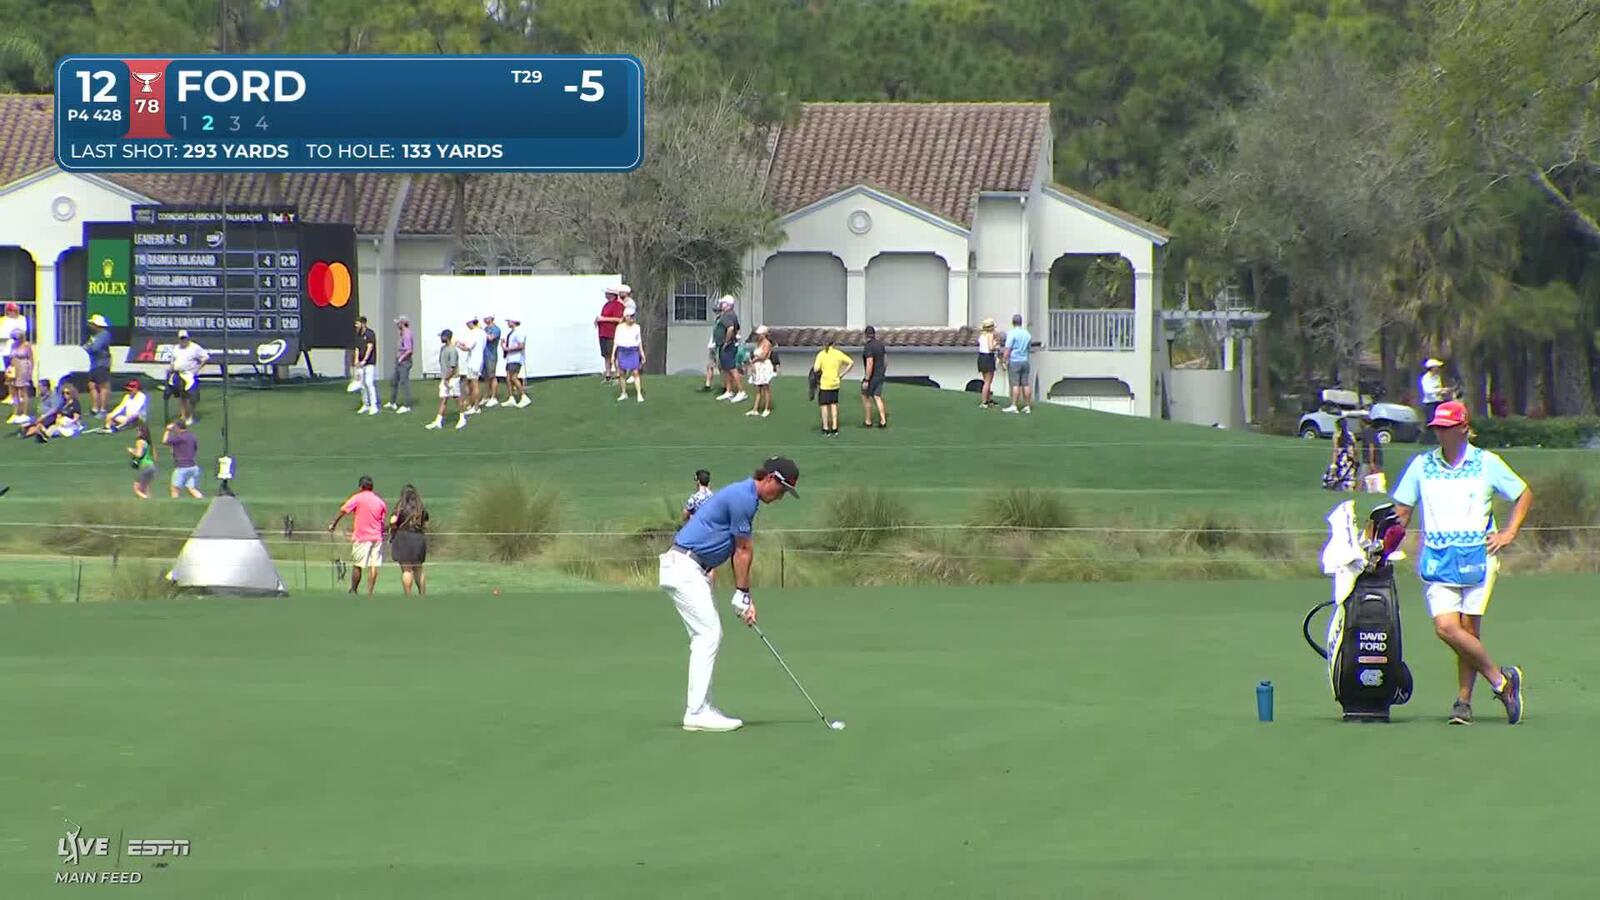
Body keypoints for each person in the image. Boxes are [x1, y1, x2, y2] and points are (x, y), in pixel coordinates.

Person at [1392, 400, 1530, 726]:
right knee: (1446, 628)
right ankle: (1502, 682)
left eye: (1446, 427)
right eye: (1437, 427)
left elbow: (1523, 493)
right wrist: (1383, 545)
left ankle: (1463, 703)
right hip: (1438, 559)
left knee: (1468, 630)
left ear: (1463, 429)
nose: (1439, 432)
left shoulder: (1487, 463)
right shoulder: (1421, 466)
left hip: (1478, 558)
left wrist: (1509, 533)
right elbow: (1402, 512)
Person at [659, 456, 800, 732]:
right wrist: (743, 594)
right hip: (685, 566)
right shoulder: (744, 498)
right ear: (770, 478)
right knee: (708, 635)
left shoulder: (746, 496)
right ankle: (696, 712)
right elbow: (743, 550)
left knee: (706, 636)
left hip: (692, 568)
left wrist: (742, 595)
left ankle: (703, 707)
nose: (781, 497)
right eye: (781, 490)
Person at [328, 475, 388, 596]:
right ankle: (370, 593)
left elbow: (344, 510)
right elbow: (382, 521)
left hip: (362, 537)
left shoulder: (358, 498)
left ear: (361, 487)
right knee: (373, 566)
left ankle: (354, 590)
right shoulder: (380, 501)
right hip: (377, 537)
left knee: (358, 565)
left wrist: (333, 523)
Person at [388, 483, 430, 596]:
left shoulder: (400, 508)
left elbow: (392, 521)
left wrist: (393, 528)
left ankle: (408, 595)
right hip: (418, 538)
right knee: (418, 569)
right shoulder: (421, 509)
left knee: (406, 570)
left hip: (404, 539)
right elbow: (426, 524)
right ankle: (422, 594)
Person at [426, 328, 469, 431]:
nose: (441, 338)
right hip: (445, 378)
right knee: (443, 399)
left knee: (456, 398)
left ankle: (462, 418)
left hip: (452, 379)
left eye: (442, 336)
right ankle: (438, 421)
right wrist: (444, 379)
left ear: (447, 337)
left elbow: (452, 367)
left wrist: (447, 379)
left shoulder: (452, 350)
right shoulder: (443, 348)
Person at [811, 335, 853, 437]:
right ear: (833, 344)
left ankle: (825, 428)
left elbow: (816, 369)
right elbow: (851, 362)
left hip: (825, 383)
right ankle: (834, 427)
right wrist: (842, 374)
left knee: (824, 406)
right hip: (835, 382)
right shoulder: (838, 353)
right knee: (834, 405)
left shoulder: (821, 354)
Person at [167, 330, 209, 426]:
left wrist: (198, 368)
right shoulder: (176, 348)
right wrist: (171, 368)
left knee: (192, 397)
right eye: (181, 338)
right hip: (179, 374)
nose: (183, 340)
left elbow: (205, 357)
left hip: (190, 375)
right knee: (182, 396)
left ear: (188, 338)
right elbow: (173, 360)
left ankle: (191, 416)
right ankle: (183, 416)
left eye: (184, 338)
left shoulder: (194, 347)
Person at [612, 302, 646, 403]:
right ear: (625, 317)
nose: (632, 318)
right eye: (630, 316)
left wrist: (642, 354)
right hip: (622, 351)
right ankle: (623, 393)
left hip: (633, 351)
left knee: (635, 372)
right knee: (622, 373)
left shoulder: (637, 327)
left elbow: (639, 341)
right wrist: (613, 355)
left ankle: (639, 394)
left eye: (633, 316)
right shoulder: (620, 327)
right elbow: (616, 341)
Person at [163, 418, 203, 499]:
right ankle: (202, 501)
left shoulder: (179, 437)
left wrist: (167, 430)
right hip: (193, 466)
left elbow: (165, 441)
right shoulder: (192, 436)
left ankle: (175, 507)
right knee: (192, 489)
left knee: (175, 489)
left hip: (182, 467)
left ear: (177, 427)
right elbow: (194, 449)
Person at [1002, 313, 1034, 414]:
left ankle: (1014, 405)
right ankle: (1027, 406)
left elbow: (1008, 349)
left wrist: (1003, 360)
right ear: (1021, 322)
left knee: (1015, 384)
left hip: (1015, 361)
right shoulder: (1027, 334)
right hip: (1025, 360)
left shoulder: (1011, 333)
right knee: (1026, 384)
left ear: (1013, 322)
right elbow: (1029, 348)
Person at [716, 299, 746, 403]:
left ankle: (741, 391)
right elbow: (737, 328)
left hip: (727, 346)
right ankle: (729, 391)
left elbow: (731, 328)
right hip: (727, 345)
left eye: (723, 303)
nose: (721, 305)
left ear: (728, 305)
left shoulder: (728, 315)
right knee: (726, 369)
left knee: (732, 368)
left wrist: (726, 341)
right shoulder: (731, 314)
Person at [82, 313, 112, 415]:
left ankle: (103, 409)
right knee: (92, 385)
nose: (90, 326)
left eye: (92, 324)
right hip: (94, 364)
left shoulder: (104, 334)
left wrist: (90, 347)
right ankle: (95, 408)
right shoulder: (94, 336)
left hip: (102, 364)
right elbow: (86, 347)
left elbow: (94, 348)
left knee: (103, 386)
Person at [595, 287, 626, 382]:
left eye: (607, 293)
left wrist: (603, 319)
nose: (605, 295)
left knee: (614, 355)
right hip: (603, 333)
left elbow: (619, 319)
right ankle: (608, 375)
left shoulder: (618, 305)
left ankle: (618, 375)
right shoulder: (606, 305)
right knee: (606, 355)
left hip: (612, 333)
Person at [860, 325, 888, 428]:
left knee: (865, 396)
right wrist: (883, 371)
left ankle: (868, 421)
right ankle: (883, 421)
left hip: (872, 376)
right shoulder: (881, 345)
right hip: (880, 375)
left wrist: (867, 379)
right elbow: (885, 360)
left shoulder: (868, 347)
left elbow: (870, 363)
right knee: (877, 397)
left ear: (866, 335)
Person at [386, 316, 414, 414]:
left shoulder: (407, 334)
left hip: (404, 362)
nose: (397, 325)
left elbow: (409, 350)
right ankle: (392, 402)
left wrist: (401, 358)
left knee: (404, 382)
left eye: (398, 323)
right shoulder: (402, 333)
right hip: (399, 361)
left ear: (402, 323)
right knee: (394, 381)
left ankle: (407, 405)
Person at [455, 318, 484, 414]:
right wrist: (459, 342)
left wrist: (457, 345)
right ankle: (472, 404)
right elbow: (467, 343)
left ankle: (476, 407)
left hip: (474, 361)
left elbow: (467, 347)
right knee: (470, 383)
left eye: (468, 323)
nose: (467, 325)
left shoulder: (474, 333)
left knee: (474, 383)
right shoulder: (481, 332)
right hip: (477, 360)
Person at [0, 301, 26, 411]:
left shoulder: (21, 320)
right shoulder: (3, 320)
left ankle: (20, 395)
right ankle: (11, 395)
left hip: (16, 350)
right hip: (5, 350)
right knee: (9, 374)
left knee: (18, 374)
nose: (13, 312)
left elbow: (21, 332)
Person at [745, 326, 775, 418]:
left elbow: (763, 356)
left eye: (760, 334)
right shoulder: (758, 343)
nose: (758, 335)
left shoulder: (767, 343)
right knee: (757, 389)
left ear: (764, 334)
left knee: (766, 388)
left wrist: (752, 361)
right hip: (758, 367)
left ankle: (767, 409)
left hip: (764, 367)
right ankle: (755, 409)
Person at [1418, 358, 1449, 445]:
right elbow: (1427, 391)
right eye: (1436, 367)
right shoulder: (1426, 378)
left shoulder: (1437, 377)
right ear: (1431, 368)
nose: (1438, 369)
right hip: (1429, 403)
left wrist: (1443, 392)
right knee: (1430, 422)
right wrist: (1440, 390)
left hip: (1438, 402)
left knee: (1438, 421)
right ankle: (1425, 441)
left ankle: (1436, 440)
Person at [352, 316, 379, 415]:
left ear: (363, 323)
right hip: (360, 364)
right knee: (362, 385)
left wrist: (364, 360)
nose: (356, 326)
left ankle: (374, 405)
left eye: (357, 324)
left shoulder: (370, 334)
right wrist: (356, 360)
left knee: (369, 383)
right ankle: (365, 404)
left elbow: (370, 348)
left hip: (369, 363)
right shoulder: (358, 335)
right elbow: (357, 348)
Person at [6, 328, 33, 425]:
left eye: (16, 338)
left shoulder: (27, 345)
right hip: (13, 369)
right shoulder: (13, 345)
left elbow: (30, 359)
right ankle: (16, 412)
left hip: (23, 368)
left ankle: (24, 413)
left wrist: (30, 372)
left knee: (23, 391)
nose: (15, 340)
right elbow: (10, 357)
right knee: (13, 391)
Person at [502, 317, 530, 408]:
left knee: (513, 377)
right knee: (508, 378)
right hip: (510, 358)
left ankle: (524, 396)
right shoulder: (512, 332)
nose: (507, 323)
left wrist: (508, 349)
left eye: (509, 321)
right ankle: (511, 398)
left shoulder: (519, 332)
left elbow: (521, 346)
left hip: (516, 358)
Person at [128, 421, 157, 499]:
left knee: (136, 489)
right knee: (146, 488)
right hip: (152, 467)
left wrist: (132, 451)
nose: (137, 432)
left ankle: (146, 499)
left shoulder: (140, 441)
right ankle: (150, 502)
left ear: (142, 432)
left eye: (138, 430)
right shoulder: (149, 442)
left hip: (145, 466)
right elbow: (155, 457)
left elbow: (139, 454)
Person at [1358, 417, 1386, 493]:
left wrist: (1371, 462)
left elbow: (1371, 446)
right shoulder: (1373, 431)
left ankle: (1358, 493)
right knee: (1375, 478)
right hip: (1378, 459)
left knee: (1362, 478)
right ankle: (1374, 493)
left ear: (1363, 422)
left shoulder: (1367, 431)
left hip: (1370, 459)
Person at [481, 315, 503, 407]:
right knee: (486, 377)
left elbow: (491, 338)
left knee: (492, 376)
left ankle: (494, 397)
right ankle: (487, 395)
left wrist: (482, 333)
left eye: (486, 318)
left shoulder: (496, 329)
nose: (484, 320)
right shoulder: (485, 329)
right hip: (484, 355)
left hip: (491, 355)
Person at [976, 318, 999, 407]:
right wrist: (996, 345)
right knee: (988, 381)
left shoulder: (982, 336)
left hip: (981, 357)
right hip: (988, 357)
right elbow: (990, 347)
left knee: (986, 380)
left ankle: (987, 399)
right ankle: (984, 401)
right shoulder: (990, 335)